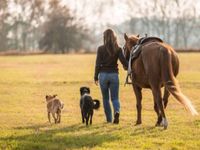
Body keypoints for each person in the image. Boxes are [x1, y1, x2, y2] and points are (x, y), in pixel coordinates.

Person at [94, 29, 128, 124]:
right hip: (114, 75)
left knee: (105, 98)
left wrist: (95, 77)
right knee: (115, 98)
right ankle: (117, 111)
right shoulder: (118, 49)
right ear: (114, 37)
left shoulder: (100, 49)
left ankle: (109, 120)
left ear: (104, 37)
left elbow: (97, 64)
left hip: (103, 75)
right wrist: (131, 66)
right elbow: (124, 62)